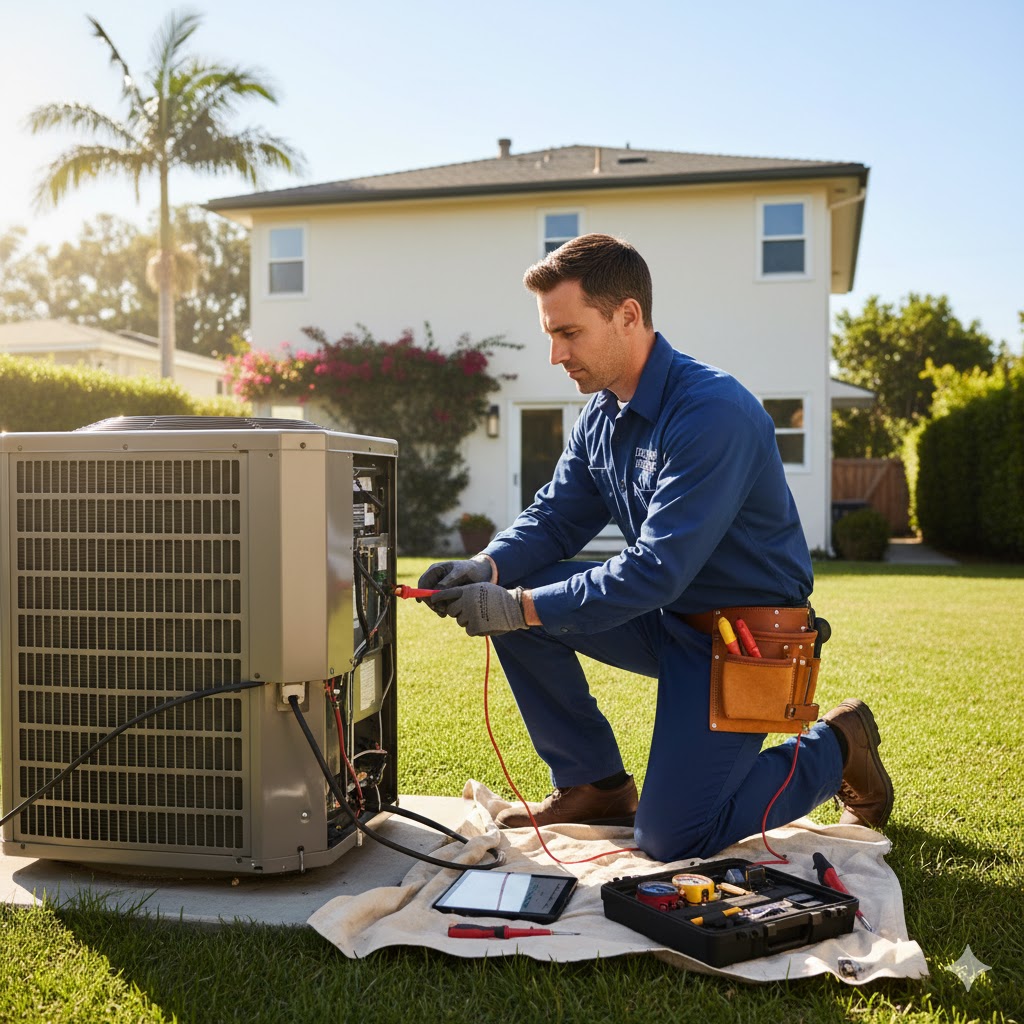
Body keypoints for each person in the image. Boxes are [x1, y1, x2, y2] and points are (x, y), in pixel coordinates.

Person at [419, 233, 893, 862]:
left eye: (569, 333)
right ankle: (595, 786)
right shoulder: (600, 415)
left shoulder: (711, 412)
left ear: (628, 316)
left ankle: (837, 746)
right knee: (521, 597)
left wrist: (517, 605)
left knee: (675, 838)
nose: (556, 354)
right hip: (665, 622)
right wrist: (488, 565)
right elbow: (556, 520)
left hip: (741, 642)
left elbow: (656, 569)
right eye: (550, 335)